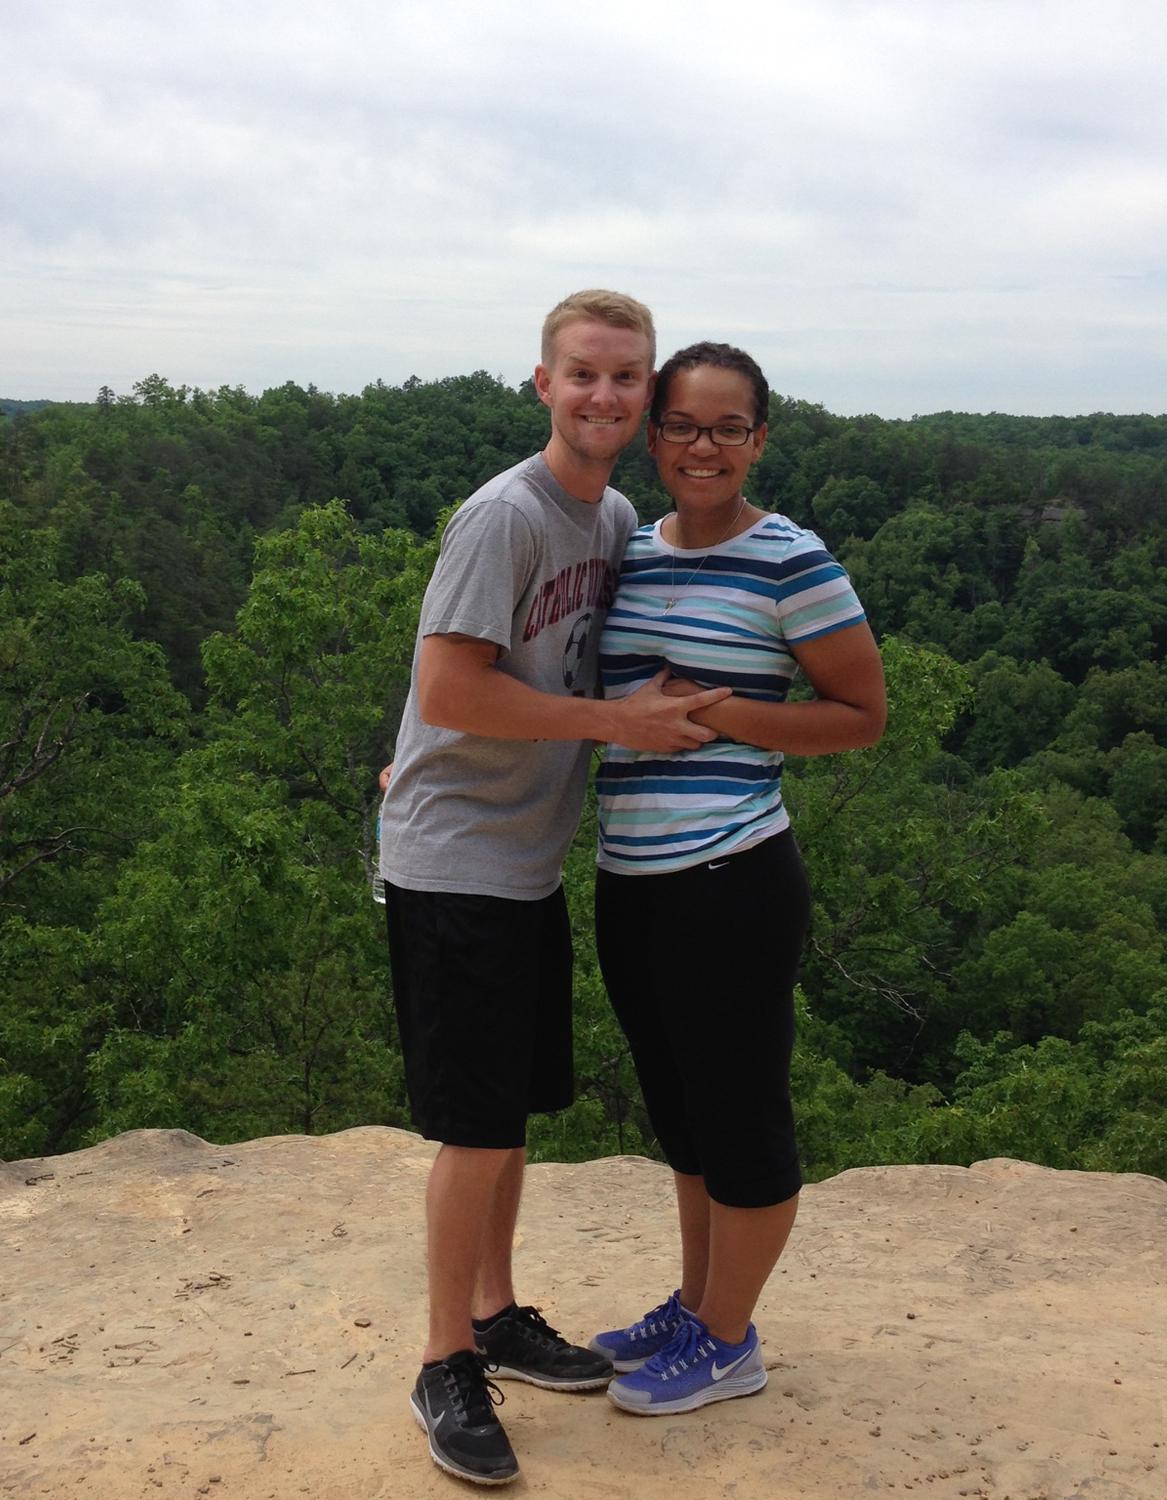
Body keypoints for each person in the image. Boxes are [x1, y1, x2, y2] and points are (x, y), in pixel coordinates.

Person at [379, 293, 734, 1484]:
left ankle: (494, 1312)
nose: (605, 396)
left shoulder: (615, 514)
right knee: (473, 1127)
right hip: (456, 862)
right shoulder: (505, 517)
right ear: (543, 384)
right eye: (583, 375)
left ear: (642, 399)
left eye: (627, 379)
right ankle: (444, 1364)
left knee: (510, 1111)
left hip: (523, 861)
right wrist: (612, 722)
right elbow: (450, 688)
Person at [587, 341, 887, 1416]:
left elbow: (862, 716)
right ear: (653, 435)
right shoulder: (635, 546)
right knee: (681, 1115)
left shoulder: (791, 560)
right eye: (681, 425)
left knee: (741, 1114)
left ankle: (729, 1341)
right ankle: (698, 1299)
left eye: (727, 428)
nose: (701, 447)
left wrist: (716, 712)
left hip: (733, 877)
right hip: (630, 875)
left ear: (759, 439)